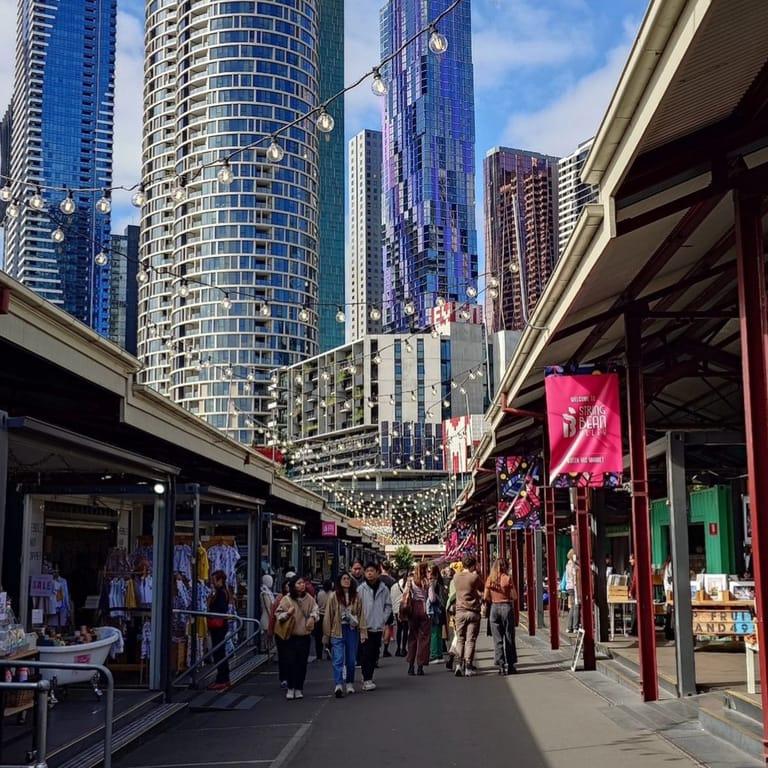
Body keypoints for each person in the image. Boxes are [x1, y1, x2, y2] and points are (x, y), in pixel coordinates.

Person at [323, 572, 367, 697]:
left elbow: (361, 614)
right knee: (338, 658)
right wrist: (326, 634)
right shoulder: (333, 596)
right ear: (339, 581)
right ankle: (338, 684)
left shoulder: (356, 596)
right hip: (337, 629)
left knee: (351, 659)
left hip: (352, 629)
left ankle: (349, 682)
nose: (346, 580)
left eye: (348, 578)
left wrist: (363, 631)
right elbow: (328, 615)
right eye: (344, 578)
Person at [275, 575, 319, 700]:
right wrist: (287, 614)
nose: (302, 585)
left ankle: (299, 688)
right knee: (290, 662)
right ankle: (290, 688)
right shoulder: (286, 599)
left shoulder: (309, 598)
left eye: (303, 583)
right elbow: (278, 614)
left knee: (302, 663)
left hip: (304, 636)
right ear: (293, 585)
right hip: (290, 636)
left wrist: (312, 617)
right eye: (299, 583)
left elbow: (316, 610)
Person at [358, 562, 392, 691]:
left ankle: (369, 676)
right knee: (365, 653)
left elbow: (388, 605)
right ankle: (367, 679)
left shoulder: (384, 589)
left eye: (372, 571)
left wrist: (383, 618)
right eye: (367, 571)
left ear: (378, 572)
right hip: (364, 626)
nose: (369, 573)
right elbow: (356, 606)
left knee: (374, 653)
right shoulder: (361, 589)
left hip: (378, 626)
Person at [484, 557, 518, 675]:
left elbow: (485, 597)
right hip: (506, 607)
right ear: (506, 567)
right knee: (509, 637)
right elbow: (514, 596)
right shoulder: (507, 578)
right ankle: (511, 665)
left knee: (497, 639)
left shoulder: (490, 579)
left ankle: (501, 665)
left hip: (494, 608)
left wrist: (493, 598)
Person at [452, 555, 484, 677]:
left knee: (460, 639)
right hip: (473, 611)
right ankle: (468, 666)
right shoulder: (474, 577)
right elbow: (482, 588)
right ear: (473, 565)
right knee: (470, 640)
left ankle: (458, 665)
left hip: (460, 611)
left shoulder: (456, 577)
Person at [207, 570, 232, 690]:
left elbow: (221, 609)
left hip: (219, 625)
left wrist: (211, 609)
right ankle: (224, 678)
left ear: (220, 580)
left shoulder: (221, 593)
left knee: (218, 652)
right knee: (220, 652)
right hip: (221, 625)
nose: (212, 583)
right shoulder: (222, 592)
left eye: (214, 580)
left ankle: (221, 679)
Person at [406, 562, 431, 676]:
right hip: (424, 609)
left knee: (412, 637)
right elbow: (431, 598)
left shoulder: (411, 581)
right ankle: (420, 666)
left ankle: (411, 666)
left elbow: (406, 594)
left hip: (413, 609)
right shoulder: (427, 582)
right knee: (424, 639)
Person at [269, 581, 291, 688]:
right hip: (281, 631)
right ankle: (284, 678)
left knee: (290, 655)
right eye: (286, 586)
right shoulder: (279, 599)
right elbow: (273, 615)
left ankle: (290, 677)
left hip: (292, 631)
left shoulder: (296, 598)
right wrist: (270, 630)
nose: (288, 588)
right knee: (283, 655)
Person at [428, 565, 447, 664]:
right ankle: (439, 654)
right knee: (438, 632)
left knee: (434, 633)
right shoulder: (440, 583)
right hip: (441, 610)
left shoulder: (433, 583)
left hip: (434, 610)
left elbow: (432, 599)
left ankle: (434, 654)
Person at [390, 571, 409, 657]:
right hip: (404, 609)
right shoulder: (407, 585)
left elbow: (391, 598)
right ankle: (403, 648)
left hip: (396, 610)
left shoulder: (394, 586)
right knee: (405, 629)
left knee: (399, 628)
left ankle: (398, 648)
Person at [314, 579, 332, 660]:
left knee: (318, 637)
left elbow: (316, 603)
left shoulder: (319, 593)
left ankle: (319, 655)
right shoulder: (333, 594)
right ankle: (329, 653)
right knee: (329, 636)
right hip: (329, 616)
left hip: (320, 616)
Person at [565, 549, 580, 633]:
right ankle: (575, 627)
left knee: (573, 606)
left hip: (569, 587)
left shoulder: (567, 565)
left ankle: (569, 627)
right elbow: (575, 576)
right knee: (576, 606)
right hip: (574, 587)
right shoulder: (573, 565)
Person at [259, 575, 275, 653]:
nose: (271, 582)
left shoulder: (269, 593)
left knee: (269, 635)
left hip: (268, 616)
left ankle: (268, 648)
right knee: (267, 635)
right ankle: (266, 649)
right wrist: (272, 618)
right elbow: (268, 607)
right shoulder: (264, 593)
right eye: (269, 580)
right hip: (266, 617)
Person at [662, 555, 674, 641]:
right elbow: (672, 578)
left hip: (669, 592)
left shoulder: (667, 565)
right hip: (671, 592)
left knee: (669, 613)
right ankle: (670, 633)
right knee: (671, 614)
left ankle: (668, 632)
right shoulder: (671, 565)